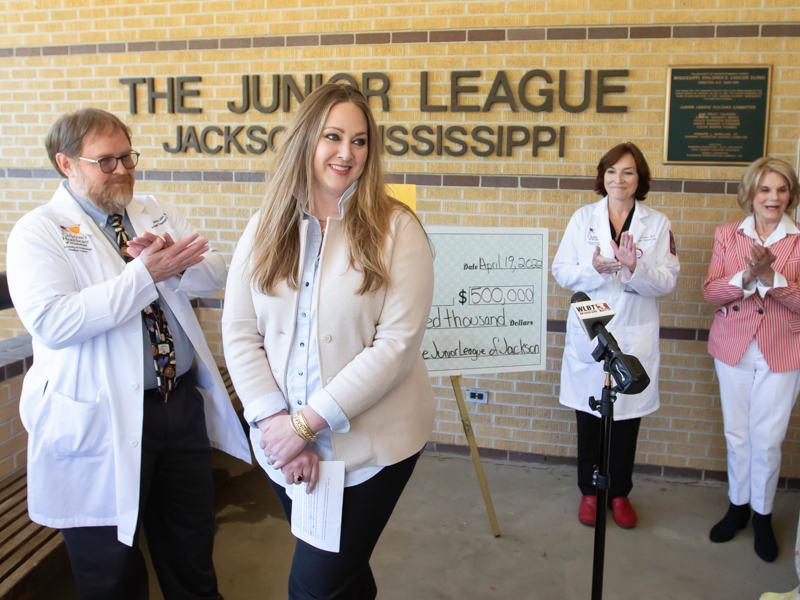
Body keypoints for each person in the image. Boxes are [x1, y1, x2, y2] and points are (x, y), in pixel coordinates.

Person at [6, 108, 250, 600]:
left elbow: (217, 271)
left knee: (192, 549)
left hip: (176, 406)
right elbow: (55, 322)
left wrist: (176, 268)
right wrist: (144, 276)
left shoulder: (151, 209)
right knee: (110, 570)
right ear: (66, 164)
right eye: (106, 161)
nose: (123, 170)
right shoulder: (38, 232)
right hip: (102, 417)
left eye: (127, 156)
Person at [221, 82, 435, 600]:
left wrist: (304, 425)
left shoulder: (396, 228)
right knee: (344, 576)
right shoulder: (265, 227)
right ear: (305, 140)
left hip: (372, 449)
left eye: (360, 141)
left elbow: (396, 346)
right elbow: (240, 332)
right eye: (333, 136)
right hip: (281, 448)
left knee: (314, 588)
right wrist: (277, 424)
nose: (347, 153)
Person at [552, 142, 680, 529]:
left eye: (627, 172)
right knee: (591, 415)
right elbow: (561, 272)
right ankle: (590, 492)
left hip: (634, 332)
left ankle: (620, 492)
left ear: (639, 178)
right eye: (611, 171)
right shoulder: (582, 219)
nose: (618, 179)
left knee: (625, 419)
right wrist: (595, 269)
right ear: (602, 177)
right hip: (592, 331)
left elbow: (667, 282)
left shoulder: (657, 224)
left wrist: (634, 267)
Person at [702, 156, 800, 563]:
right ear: (751, 194)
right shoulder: (728, 235)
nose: (773, 197)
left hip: (783, 350)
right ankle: (738, 506)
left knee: (768, 440)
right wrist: (744, 279)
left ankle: (762, 515)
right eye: (765, 189)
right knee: (737, 434)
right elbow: (710, 292)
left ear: (790, 195)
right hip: (733, 348)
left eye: (781, 189)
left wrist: (772, 279)